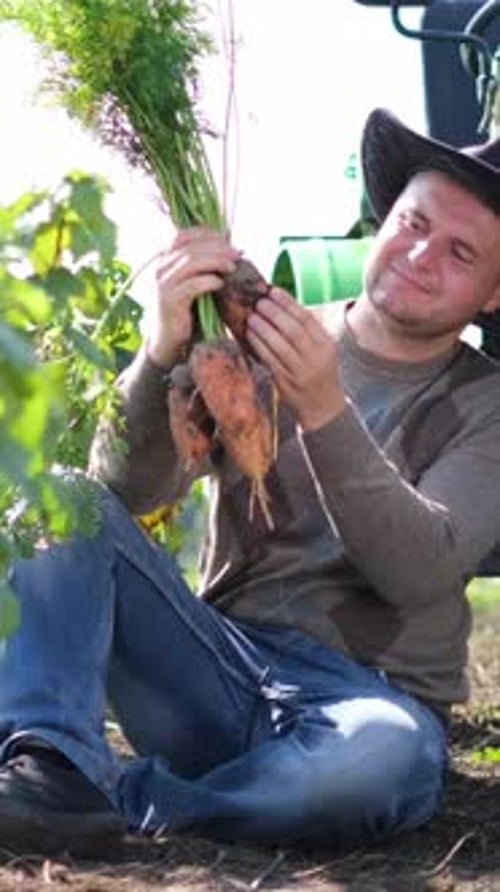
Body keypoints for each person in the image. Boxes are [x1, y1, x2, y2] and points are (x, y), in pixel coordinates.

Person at [1, 107, 500, 857]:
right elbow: (124, 496)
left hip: (366, 703)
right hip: (211, 670)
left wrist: (325, 410)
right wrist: (160, 351)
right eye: (413, 221)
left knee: (381, 757)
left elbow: (422, 569)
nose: (420, 255)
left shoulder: (489, 405)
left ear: (494, 295)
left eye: (462, 252)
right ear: (383, 217)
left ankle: (128, 804)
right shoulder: (258, 333)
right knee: (61, 499)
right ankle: (48, 762)